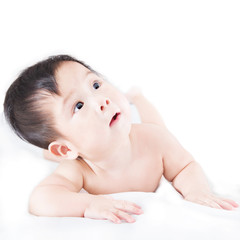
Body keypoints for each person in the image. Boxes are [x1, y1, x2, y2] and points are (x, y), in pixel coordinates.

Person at [3, 55, 238, 224]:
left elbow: (185, 166)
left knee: (154, 125)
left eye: (95, 85)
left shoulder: (155, 140)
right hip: (73, 150)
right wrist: (88, 205)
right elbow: (41, 200)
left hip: (148, 132)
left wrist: (195, 190)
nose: (101, 100)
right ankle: (48, 150)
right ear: (65, 150)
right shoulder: (78, 168)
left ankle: (138, 97)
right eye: (79, 105)